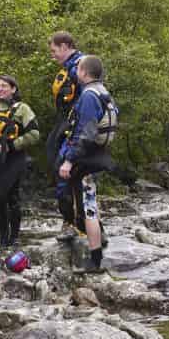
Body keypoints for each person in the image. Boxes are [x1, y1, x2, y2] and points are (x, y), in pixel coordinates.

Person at [58, 54, 118, 274]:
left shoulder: (89, 96)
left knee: (88, 206)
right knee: (90, 202)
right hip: (98, 155)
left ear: (84, 72)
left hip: (87, 159)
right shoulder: (104, 93)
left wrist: (68, 160)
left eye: (78, 70)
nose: (76, 73)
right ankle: (98, 248)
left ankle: (95, 259)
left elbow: (86, 132)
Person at [0, 74, 40, 249]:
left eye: (4, 86)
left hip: (14, 157)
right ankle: (3, 239)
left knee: (12, 196)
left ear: (13, 89)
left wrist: (12, 145)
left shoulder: (23, 109)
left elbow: (34, 134)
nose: (0, 89)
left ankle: (15, 237)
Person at [47, 31, 83, 236]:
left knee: (71, 175)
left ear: (64, 46)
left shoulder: (81, 67)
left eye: (54, 51)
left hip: (76, 129)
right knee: (60, 171)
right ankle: (70, 222)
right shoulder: (67, 69)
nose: (53, 56)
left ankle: (76, 224)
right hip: (64, 125)